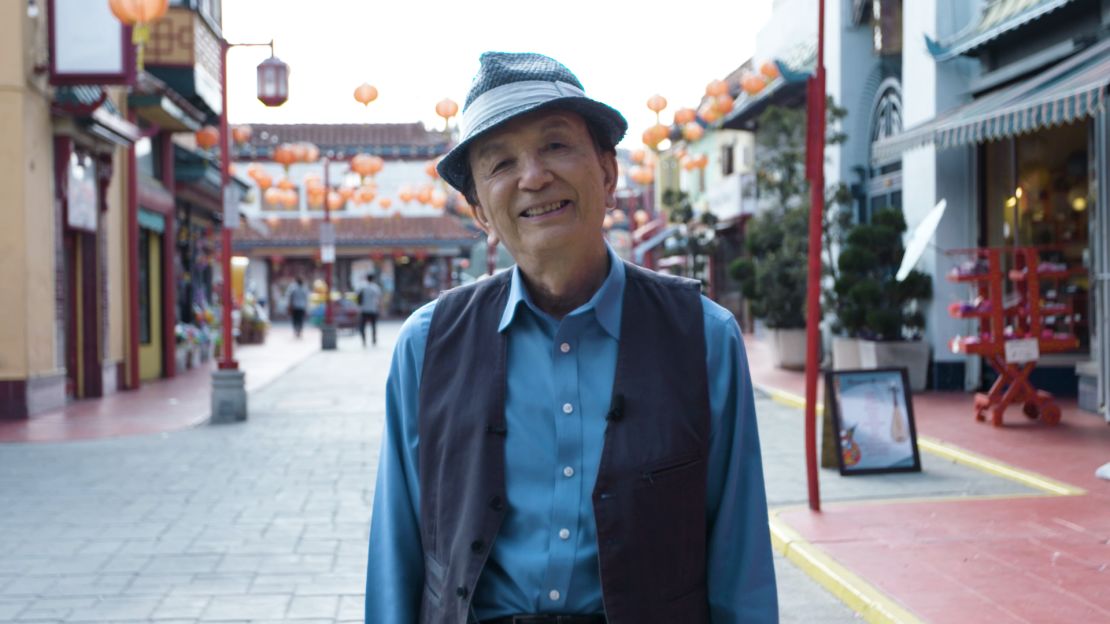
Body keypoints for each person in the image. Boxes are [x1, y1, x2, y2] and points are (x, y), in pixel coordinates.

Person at [366, 52, 777, 624]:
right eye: (501, 163)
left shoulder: (704, 339)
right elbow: (398, 554)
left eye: (556, 146)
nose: (533, 177)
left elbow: (741, 558)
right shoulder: (427, 346)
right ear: (480, 210)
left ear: (608, 173)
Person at [358, 274, 383, 346]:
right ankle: (374, 339)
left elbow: (358, 296)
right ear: (373, 279)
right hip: (373, 309)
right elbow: (379, 299)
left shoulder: (362, 287)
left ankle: (364, 340)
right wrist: (380, 308)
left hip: (364, 309)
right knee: (373, 325)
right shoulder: (375, 288)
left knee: (362, 326)